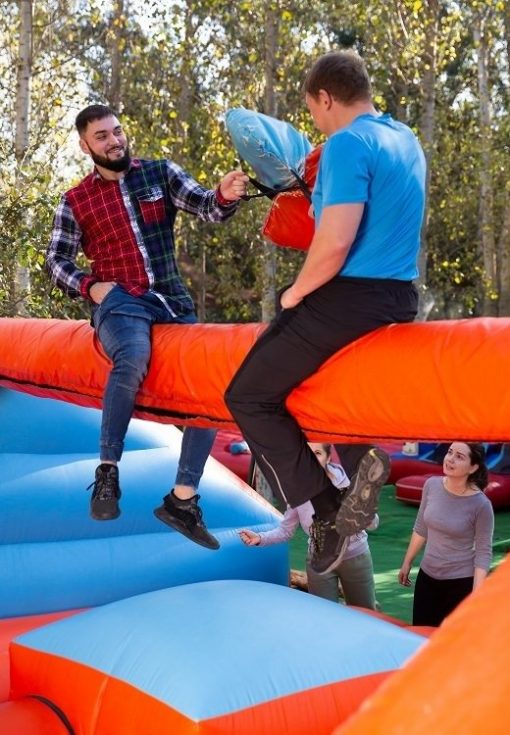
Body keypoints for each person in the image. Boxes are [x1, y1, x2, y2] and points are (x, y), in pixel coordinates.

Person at [225, 50, 426, 575]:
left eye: (312, 110)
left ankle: (326, 512)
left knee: (247, 395)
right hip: (401, 296)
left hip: (351, 297)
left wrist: (294, 295)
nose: (313, 121)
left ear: (325, 98)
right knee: (319, 377)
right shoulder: (404, 138)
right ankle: (360, 462)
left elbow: (335, 244)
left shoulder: (345, 144)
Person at [46, 104, 248, 550]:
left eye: (117, 131)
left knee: (208, 389)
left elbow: (207, 206)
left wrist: (227, 193)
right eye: (102, 136)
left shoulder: (159, 173)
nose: (114, 140)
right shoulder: (76, 200)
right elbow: (55, 260)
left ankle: (182, 499)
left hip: (172, 302)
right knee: (133, 355)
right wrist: (89, 286)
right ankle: (106, 472)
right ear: (85, 145)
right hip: (121, 301)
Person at [240, 443, 378, 608]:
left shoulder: (350, 483)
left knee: (365, 614)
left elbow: (373, 523)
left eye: (318, 453)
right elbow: (285, 531)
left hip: (355, 558)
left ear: (328, 457)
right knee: (323, 615)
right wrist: (260, 538)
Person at [398, 442, 494, 626]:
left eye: (460, 456)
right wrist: (407, 562)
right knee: (421, 635)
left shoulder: (481, 505)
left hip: (460, 583)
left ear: (473, 467)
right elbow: (421, 527)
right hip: (427, 577)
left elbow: (483, 553)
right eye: (450, 452)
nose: (450, 459)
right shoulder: (431, 485)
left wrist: (476, 596)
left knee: (454, 645)